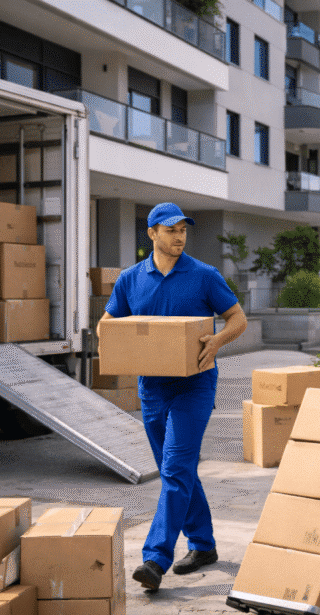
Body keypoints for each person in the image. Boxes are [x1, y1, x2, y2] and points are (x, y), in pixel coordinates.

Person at [99, 202, 247, 592]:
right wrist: (112, 339)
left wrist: (215, 341)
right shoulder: (131, 280)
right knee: (176, 471)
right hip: (152, 388)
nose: (179, 237)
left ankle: (155, 558)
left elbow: (238, 318)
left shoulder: (203, 276)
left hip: (194, 386)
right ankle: (203, 545)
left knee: (176, 468)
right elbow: (107, 324)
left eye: (183, 230)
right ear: (151, 234)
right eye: (170, 230)